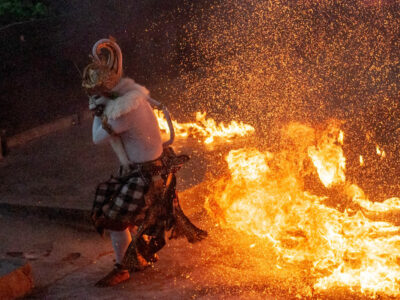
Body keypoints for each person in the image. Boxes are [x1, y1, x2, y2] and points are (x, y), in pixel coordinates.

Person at [82, 38, 207, 287]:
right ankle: (137, 256)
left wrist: (98, 113)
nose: (92, 96)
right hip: (150, 169)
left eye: (94, 93)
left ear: (103, 91)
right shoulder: (131, 97)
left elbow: (97, 138)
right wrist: (104, 107)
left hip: (148, 175)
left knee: (115, 219)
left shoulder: (123, 110)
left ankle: (125, 267)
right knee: (124, 214)